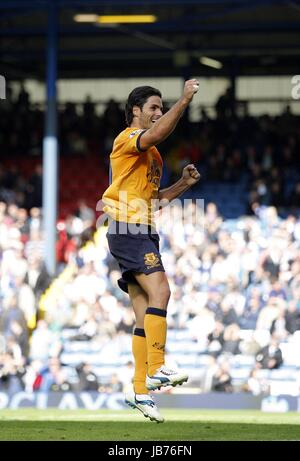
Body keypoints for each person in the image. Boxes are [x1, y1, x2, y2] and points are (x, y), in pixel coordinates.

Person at [101, 80, 201, 423]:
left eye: (162, 108)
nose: (158, 113)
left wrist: (183, 185)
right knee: (162, 290)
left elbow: (154, 201)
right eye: (154, 108)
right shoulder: (127, 139)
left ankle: (140, 391)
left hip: (142, 228)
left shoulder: (153, 156)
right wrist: (184, 100)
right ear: (136, 111)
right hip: (127, 228)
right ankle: (157, 367)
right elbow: (156, 134)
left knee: (144, 312)